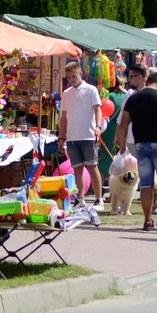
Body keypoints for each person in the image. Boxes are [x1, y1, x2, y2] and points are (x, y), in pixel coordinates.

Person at [116, 70, 157, 233]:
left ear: (146, 82)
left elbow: (123, 123)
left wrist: (122, 145)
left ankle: (147, 220)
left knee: (146, 184)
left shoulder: (133, 98)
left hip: (140, 146)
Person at [59, 62, 104, 207]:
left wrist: (97, 126)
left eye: (74, 76)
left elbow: (98, 110)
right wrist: (61, 137)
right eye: (69, 77)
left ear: (80, 73)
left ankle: (99, 198)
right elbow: (63, 117)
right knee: (77, 169)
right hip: (72, 137)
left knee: (92, 167)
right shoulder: (66, 93)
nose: (72, 79)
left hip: (89, 135)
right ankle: (80, 199)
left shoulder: (91, 90)